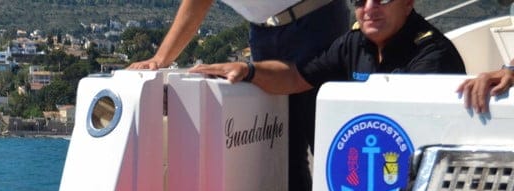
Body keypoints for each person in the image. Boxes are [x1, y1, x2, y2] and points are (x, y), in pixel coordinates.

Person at [128, 0, 352, 191]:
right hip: (264, 33)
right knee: (284, 154)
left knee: (331, 146)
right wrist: (160, 59)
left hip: (317, 21)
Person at [190, 0, 465, 97]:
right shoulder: (353, 43)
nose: (369, 9)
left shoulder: (432, 56)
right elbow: (296, 77)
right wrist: (247, 70)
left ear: (408, 2)